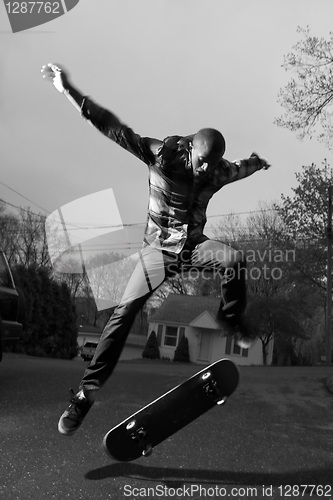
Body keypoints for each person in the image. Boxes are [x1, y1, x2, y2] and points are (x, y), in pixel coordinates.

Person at [41, 63, 270, 436]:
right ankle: (84, 396)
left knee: (234, 260)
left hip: (194, 246)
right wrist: (67, 89)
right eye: (201, 163)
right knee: (123, 312)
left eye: (211, 167)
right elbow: (113, 129)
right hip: (156, 251)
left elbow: (240, 167)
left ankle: (230, 319)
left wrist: (258, 163)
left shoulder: (219, 170)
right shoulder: (160, 154)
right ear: (191, 150)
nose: (204, 172)